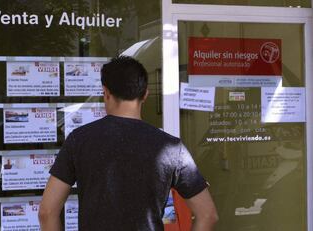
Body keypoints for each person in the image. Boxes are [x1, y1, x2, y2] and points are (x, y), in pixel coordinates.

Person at [39, 56, 218, 231]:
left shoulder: (79, 140)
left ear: (106, 93)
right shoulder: (171, 148)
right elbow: (208, 215)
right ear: (145, 94)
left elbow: (47, 212)